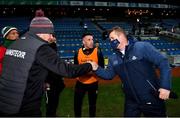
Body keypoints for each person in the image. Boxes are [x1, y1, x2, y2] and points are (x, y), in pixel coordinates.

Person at [0, 16, 93, 117]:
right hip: (24, 106)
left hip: (5, 101)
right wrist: (90, 65)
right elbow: (68, 70)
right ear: (42, 31)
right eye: (50, 33)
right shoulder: (40, 47)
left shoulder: (16, 43)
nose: (50, 37)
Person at [90, 26, 171, 117]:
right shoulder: (113, 58)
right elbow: (109, 75)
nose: (111, 41)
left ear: (121, 36)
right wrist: (96, 68)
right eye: (110, 39)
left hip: (151, 97)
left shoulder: (141, 47)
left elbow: (163, 62)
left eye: (112, 38)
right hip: (131, 101)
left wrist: (165, 86)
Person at [74, 33, 104, 117]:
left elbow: (101, 68)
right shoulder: (77, 52)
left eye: (92, 39)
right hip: (80, 83)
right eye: (89, 40)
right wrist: (83, 72)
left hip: (93, 83)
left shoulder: (98, 52)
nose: (92, 42)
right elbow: (76, 68)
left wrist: (92, 72)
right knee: (77, 105)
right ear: (83, 42)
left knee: (92, 105)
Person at [45, 35, 65, 117]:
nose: (54, 38)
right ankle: (51, 115)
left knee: (55, 100)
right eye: (52, 36)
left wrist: (60, 77)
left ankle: (53, 114)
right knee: (50, 102)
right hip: (49, 81)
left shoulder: (53, 48)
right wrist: (45, 81)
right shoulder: (45, 49)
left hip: (56, 80)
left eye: (54, 37)